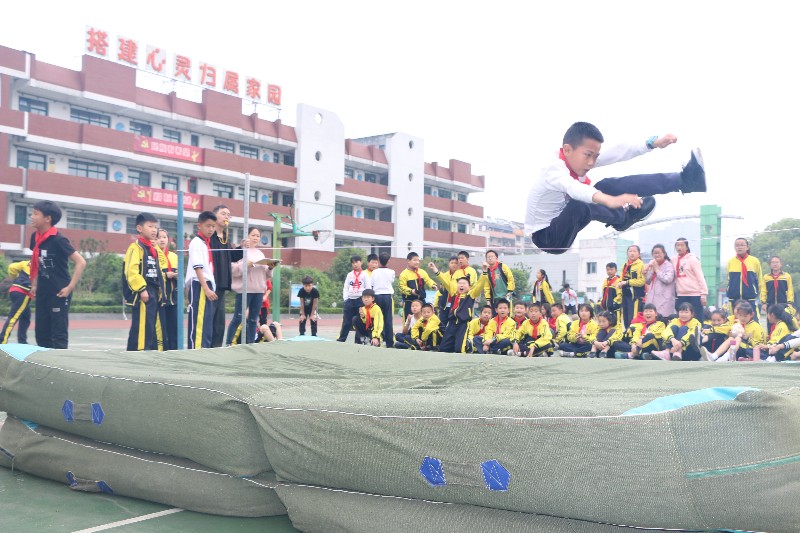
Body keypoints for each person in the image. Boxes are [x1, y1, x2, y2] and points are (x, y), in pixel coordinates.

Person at [524, 122, 706, 254]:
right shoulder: (553, 169)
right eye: (588, 155)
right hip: (548, 237)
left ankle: (685, 180)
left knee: (607, 184)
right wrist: (611, 200)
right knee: (580, 204)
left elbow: (617, 152)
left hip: (567, 218)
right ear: (567, 149)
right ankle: (623, 218)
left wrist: (651, 144)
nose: (591, 162)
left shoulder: (580, 158)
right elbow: (574, 189)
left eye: (595, 157)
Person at [28, 200, 86, 349]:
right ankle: (44, 365)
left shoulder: (59, 240)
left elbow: (81, 262)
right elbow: (35, 260)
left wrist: (70, 287)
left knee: (58, 333)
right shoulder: (34, 237)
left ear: (48, 219)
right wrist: (34, 284)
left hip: (60, 292)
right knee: (41, 333)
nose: (31, 216)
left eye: (36, 214)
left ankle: (60, 366)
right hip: (43, 292)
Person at [123, 213, 167, 351]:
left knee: (150, 325)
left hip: (154, 291)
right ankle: (139, 352)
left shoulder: (152, 248)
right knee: (142, 326)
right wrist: (142, 289)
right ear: (139, 228)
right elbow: (131, 271)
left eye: (155, 227)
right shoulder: (135, 248)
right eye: (150, 226)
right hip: (144, 292)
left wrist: (157, 248)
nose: (154, 230)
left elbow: (163, 264)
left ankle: (141, 351)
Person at [429, 261, 489, 353]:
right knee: (443, 348)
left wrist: (485, 271)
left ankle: (471, 345)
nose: (461, 285)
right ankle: (460, 344)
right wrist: (435, 269)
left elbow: (480, 284)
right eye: (459, 283)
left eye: (464, 283)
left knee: (459, 350)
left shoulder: (471, 294)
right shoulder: (454, 293)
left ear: (469, 287)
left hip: (463, 324)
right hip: (452, 323)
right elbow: (445, 281)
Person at [226, 227, 272, 346]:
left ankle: (251, 344)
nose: (256, 238)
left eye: (257, 236)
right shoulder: (241, 251)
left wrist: (270, 267)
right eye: (253, 235)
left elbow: (265, 274)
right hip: (244, 291)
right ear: (247, 236)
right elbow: (233, 270)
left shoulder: (260, 253)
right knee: (238, 318)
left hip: (258, 291)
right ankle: (228, 343)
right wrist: (246, 265)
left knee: (253, 319)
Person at [186, 211, 218, 349]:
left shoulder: (206, 243)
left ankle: (203, 350)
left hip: (206, 284)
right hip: (200, 284)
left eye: (213, 226)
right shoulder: (197, 242)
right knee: (199, 324)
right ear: (199, 226)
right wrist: (206, 288)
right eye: (208, 226)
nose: (211, 229)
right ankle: (196, 352)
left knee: (206, 324)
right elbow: (198, 267)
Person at [209, 205, 234, 348]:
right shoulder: (209, 237)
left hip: (222, 284)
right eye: (223, 214)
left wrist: (242, 247)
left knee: (219, 324)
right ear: (214, 216)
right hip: (211, 285)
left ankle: (216, 348)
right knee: (209, 321)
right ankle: (206, 349)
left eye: (228, 215)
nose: (226, 217)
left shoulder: (226, 238)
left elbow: (231, 257)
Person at [726, 238, 765, 320]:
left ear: (747, 247)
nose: (739, 247)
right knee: (734, 323)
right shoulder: (730, 261)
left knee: (753, 321)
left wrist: (760, 296)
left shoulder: (754, 261)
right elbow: (729, 278)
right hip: (734, 299)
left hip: (750, 298)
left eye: (742, 245)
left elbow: (760, 279)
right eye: (737, 245)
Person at [337, 255, 370, 342]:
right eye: (353, 263)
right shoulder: (349, 275)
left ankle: (358, 341)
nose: (355, 264)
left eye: (357, 262)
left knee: (359, 321)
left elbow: (368, 288)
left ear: (361, 262)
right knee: (346, 321)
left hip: (360, 300)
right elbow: (346, 288)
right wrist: (346, 299)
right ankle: (342, 339)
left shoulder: (364, 275)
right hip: (350, 300)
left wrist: (366, 301)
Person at [674, 237, 708, 320]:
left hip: (694, 294)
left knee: (697, 319)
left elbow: (700, 276)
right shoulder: (673, 260)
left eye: (682, 245)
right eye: (677, 245)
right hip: (681, 294)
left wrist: (703, 294)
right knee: (682, 319)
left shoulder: (692, 259)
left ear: (687, 247)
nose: (679, 248)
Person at [156, 229, 179, 350]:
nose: (162, 240)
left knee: (174, 328)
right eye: (159, 237)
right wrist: (165, 275)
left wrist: (177, 275)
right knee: (162, 329)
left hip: (174, 300)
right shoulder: (154, 256)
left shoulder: (174, 256)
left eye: (164, 237)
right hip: (161, 300)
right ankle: (162, 351)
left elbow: (181, 274)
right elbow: (154, 276)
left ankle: (174, 351)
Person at [1, 260, 32, 344]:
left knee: (26, 316)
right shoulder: (43, 265)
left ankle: (22, 341)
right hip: (23, 292)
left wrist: (14, 277)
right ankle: (2, 341)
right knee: (13, 317)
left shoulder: (26, 263)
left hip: (14, 289)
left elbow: (12, 267)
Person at [370, 251, 396, 347]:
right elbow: (391, 281)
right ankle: (389, 342)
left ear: (379, 261)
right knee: (388, 319)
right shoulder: (391, 272)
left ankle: (377, 339)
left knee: (377, 319)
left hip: (377, 296)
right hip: (387, 296)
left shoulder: (374, 272)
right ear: (388, 261)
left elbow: (371, 284)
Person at [399, 252, 437, 318]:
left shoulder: (422, 272)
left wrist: (433, 285)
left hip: (421, 301)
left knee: (425, 320)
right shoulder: (403, 274)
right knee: (409, 322)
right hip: (410, 302)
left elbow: (428, 280)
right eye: (415, 260)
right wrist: (411, 291)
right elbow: (402, 287)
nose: (417, 262)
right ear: (408, 261)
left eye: (418, 260)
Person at [644, 244, 676, 318]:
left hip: (664, 298)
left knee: (663, 319)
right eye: (655, 253)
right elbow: (647, 281)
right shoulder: (652, 264)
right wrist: (647, 271)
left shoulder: (668, 265)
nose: (657, 255)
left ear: (664, 254)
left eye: (659, 253)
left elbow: (668, 279)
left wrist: (657, 270)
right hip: (652, 297)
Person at [618, 245, 646, 328]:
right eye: (630, 251)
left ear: (639, 253)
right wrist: (620, 283)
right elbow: (621, 278)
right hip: (625, 295)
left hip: (635, 297)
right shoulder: (625, 265)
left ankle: (633, 337)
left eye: (634, 251)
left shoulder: (640, 265)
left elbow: (642, 281)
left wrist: (626, 282)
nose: (632, 253)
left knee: (633, 318)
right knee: (625, 317)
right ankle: (627, 335)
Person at [433, 256, 459, 328]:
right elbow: (440, 291)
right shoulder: (444, 275)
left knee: (453, 325)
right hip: (444, 304)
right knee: (441, 325)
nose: (454, 265)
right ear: (449, 264)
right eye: (452, 263)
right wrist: (435, 304)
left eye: (456, 263)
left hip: (455, 305)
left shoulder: (460, 275)